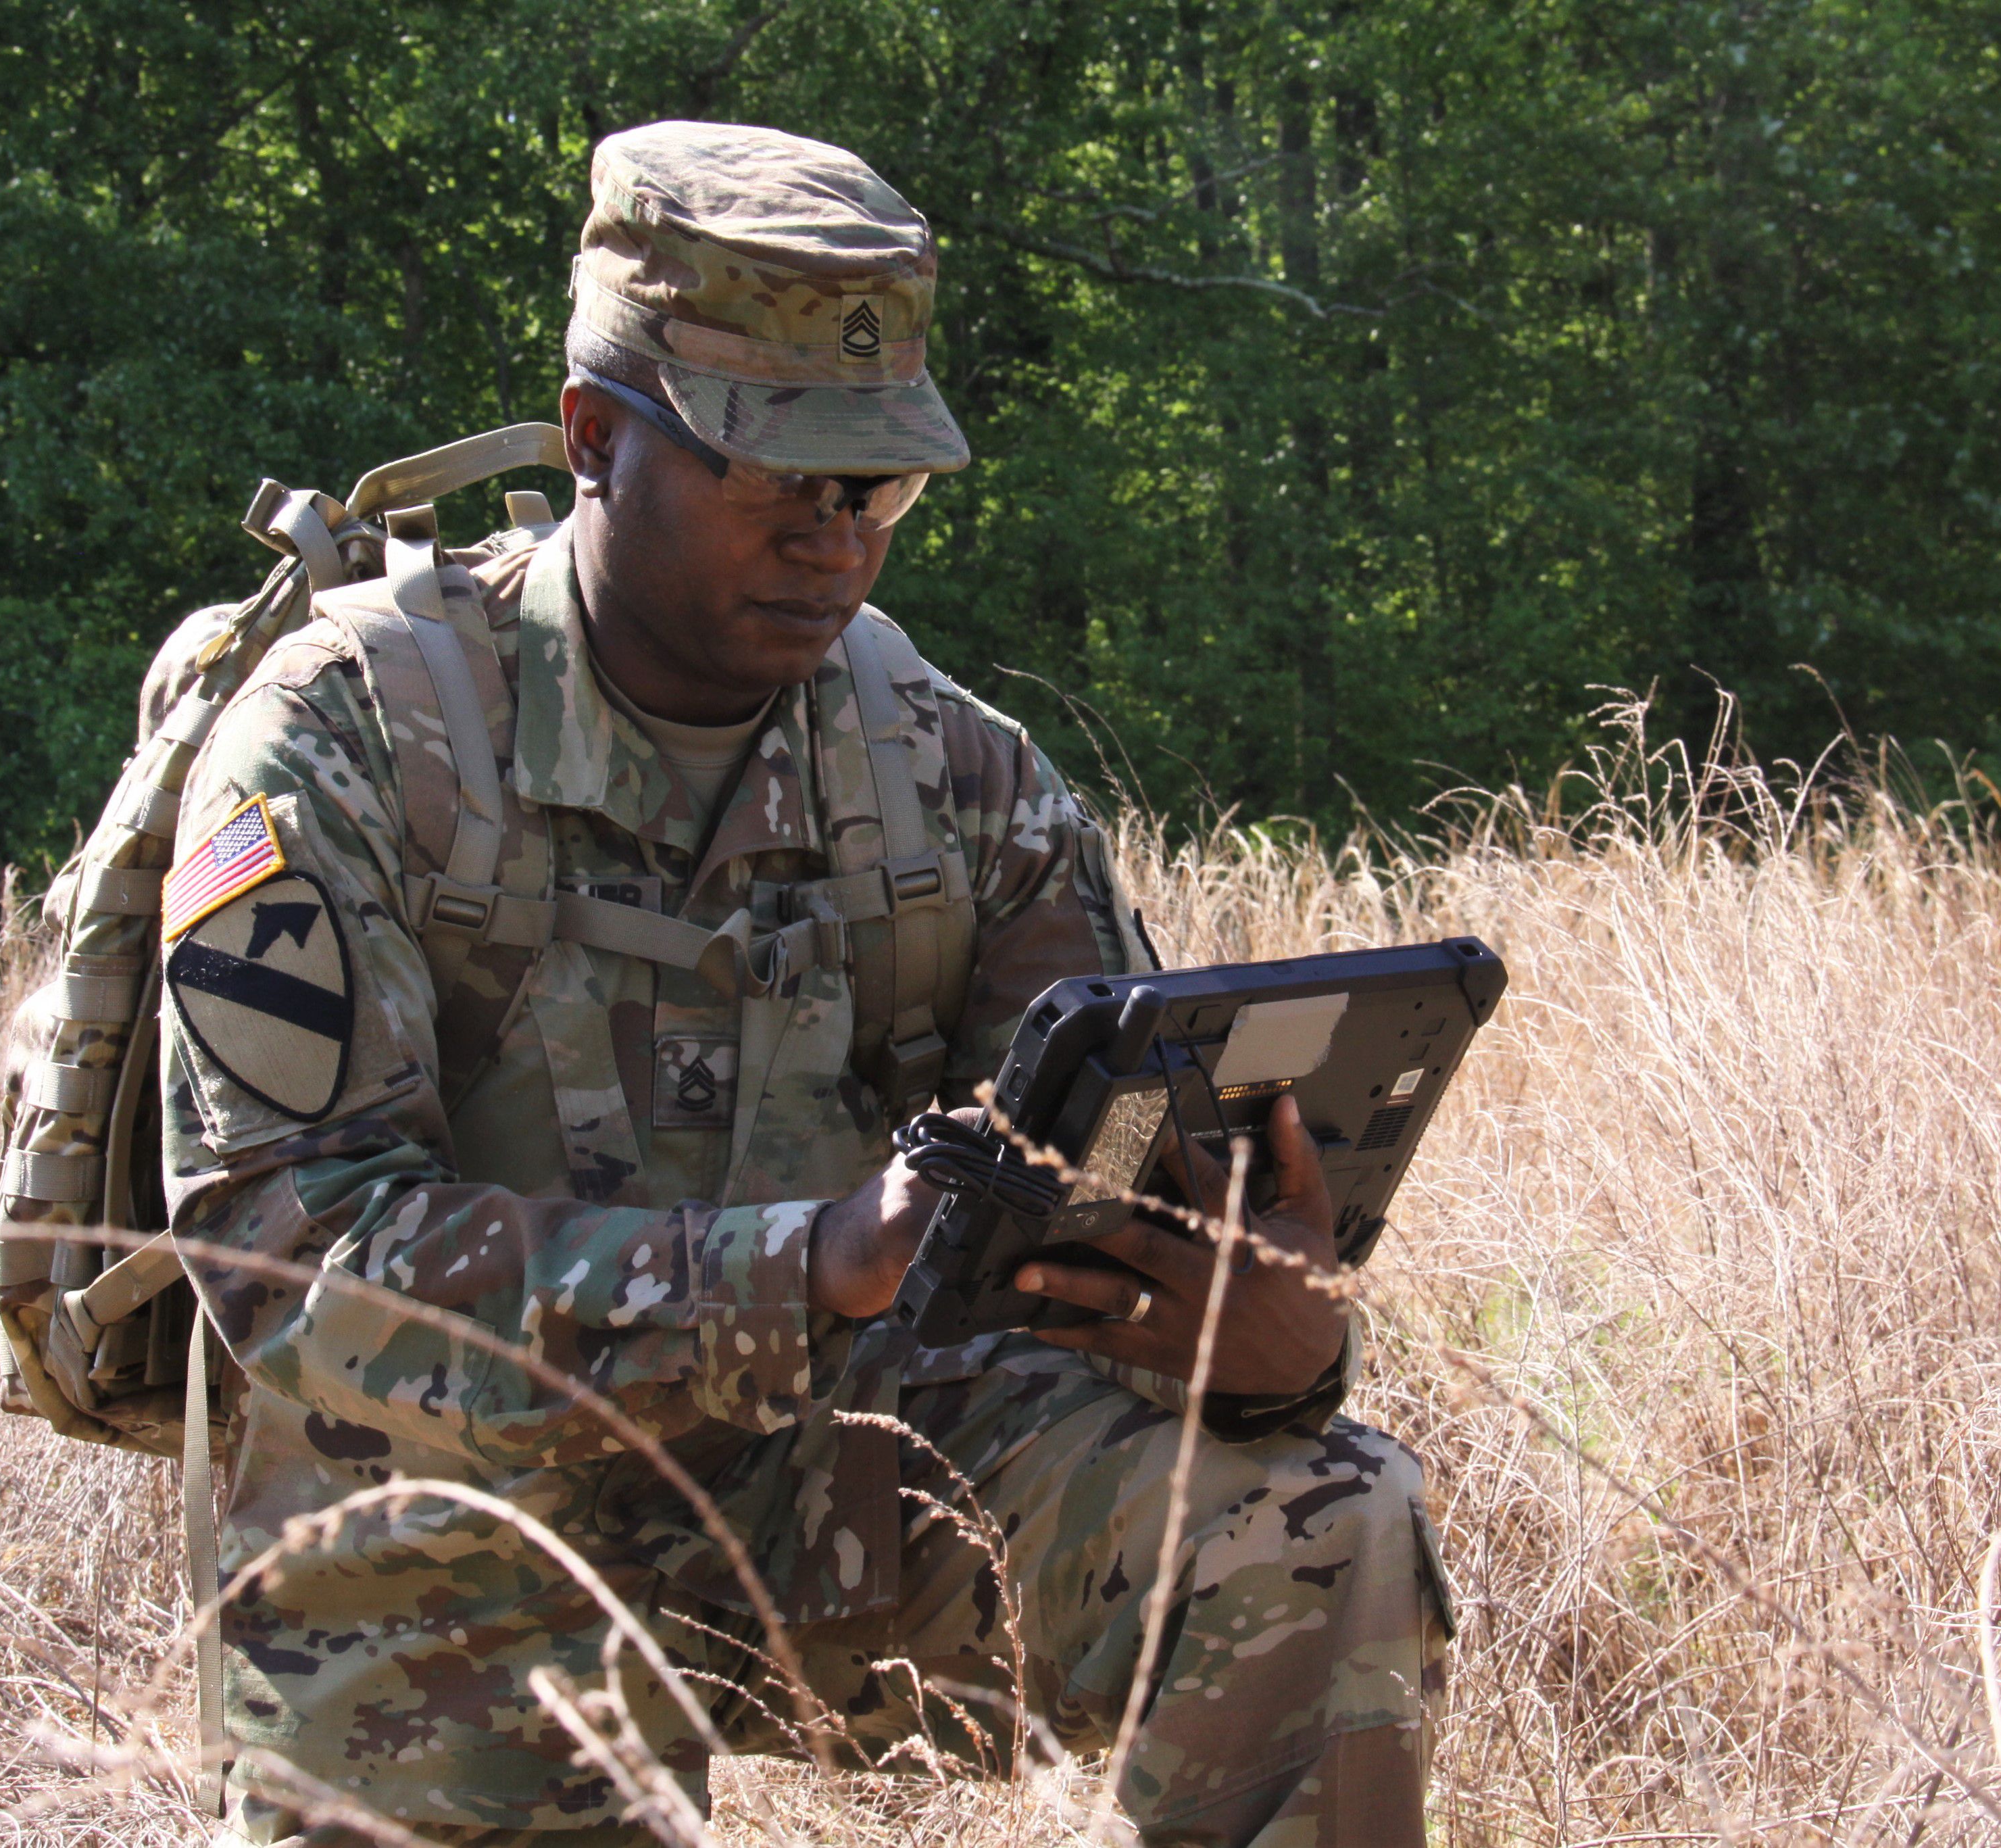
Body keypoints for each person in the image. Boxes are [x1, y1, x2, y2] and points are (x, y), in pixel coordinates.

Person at [162, 119, 1452, 1847]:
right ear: (597, 438)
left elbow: (1099, 1202)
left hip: (835, 1492)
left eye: (881, 485)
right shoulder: (347, 743)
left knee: (1321, 1511)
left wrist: (1255, 1339)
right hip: (451, 1519)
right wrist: (818, 1257)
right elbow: (295, 1267)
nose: (839, 539)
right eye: (782, 479)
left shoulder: (950, 772)